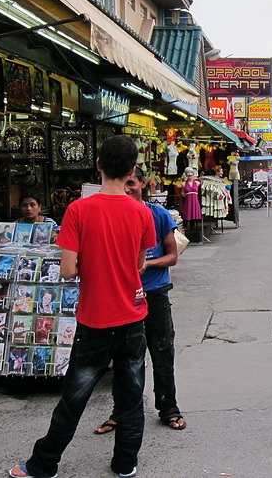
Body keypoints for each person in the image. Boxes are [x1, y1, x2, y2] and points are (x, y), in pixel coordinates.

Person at [9, 135, 155, 478]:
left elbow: (68, 270)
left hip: (95, 319)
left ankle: (44, 464)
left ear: (99, 165)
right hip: (133, 317)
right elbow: (138, 266)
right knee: (131, 395)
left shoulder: (78, 210)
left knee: (74, 397)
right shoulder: (141, 212)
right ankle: (125, 464)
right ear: (131, 170)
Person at [95, 165, 184, 436]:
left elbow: (173, 255)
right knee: (123, 357)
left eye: (132, 183)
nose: (128, 188)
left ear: (144, 183)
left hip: (154, 295)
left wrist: (147, 263)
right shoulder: (110, 214)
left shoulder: (158, 215)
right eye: (124, 182)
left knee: (161, 351)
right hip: (122, 296)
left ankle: (168, 408)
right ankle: (120, 413)